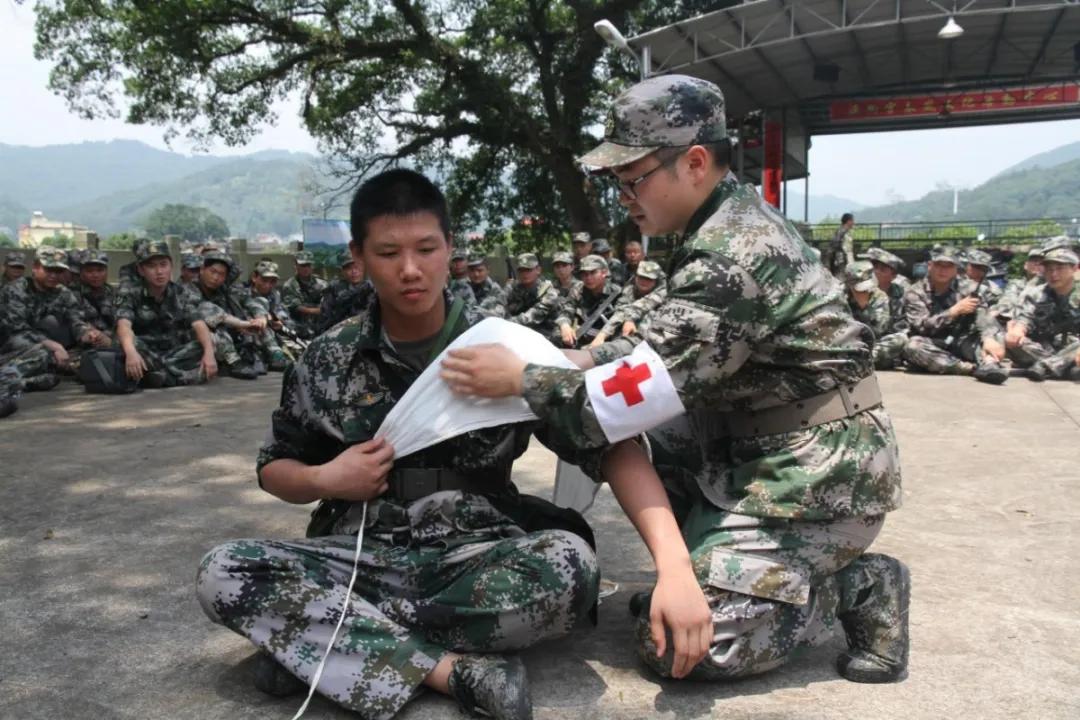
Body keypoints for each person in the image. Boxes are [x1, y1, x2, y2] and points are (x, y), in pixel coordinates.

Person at [442, 74, 908, 687]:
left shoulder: (731, 254)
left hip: (815, 479)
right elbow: (656, 348)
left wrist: (524, 379)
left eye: (631, 178)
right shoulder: (716, 226)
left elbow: (614, 406)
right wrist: (569, 361)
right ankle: (712, 568)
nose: (622, 197)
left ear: (692, 162)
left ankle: (856, 585)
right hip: (750, 445)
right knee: (602, 437)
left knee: (683, 649)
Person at [196, 169, 602, 720]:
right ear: (359, 256)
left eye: (426, 249)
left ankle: (322, 643)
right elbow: (274, 467)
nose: (410, 270)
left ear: (450, 248)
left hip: (474, 555)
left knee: (570, 567)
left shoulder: (503, 349)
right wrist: (323, 479)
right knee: (224, 571)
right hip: (359, 554)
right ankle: (451, 671)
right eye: (388, 253)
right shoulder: (327, 358)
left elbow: (604, 440)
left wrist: (674, 569)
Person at [114, 240, 223, 387]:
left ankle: (160, 377)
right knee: (127, 344)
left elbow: (198, 323)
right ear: (141, 270)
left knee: (209, 342)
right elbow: (123, 325)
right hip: (145, 352)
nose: (159, 272)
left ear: (171, 266)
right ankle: (178, 377)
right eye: (151, 266)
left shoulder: (180, 292)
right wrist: (131, 353)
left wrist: (209, 355)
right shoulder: (129, 292)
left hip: (173, 352)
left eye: (163, 265)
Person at [0, 246, 106, 386]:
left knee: (94, 354)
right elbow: (16, 332)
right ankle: (8, 378)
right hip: (13, 347)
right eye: (49, 270)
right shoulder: (15, 290)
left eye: (58, 271)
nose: (54, 276)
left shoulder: (63, 292)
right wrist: (51, 345)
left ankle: (30, 379)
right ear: (35, 267)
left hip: (52, 347)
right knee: (43, 355)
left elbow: (75, 320)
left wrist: (86, 334)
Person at [902, 245, 1007, 384]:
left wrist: (988, 339)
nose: (942, 270)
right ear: (930, 265)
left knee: (995, 333)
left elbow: (983, 316)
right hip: (934, 342)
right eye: (939, 265)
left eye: (948, 266)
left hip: (963, 340)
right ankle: (969, 369)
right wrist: (953, 311)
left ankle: (990, 363)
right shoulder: (915, 292)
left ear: (956, 269)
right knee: (912, 346)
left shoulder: (969, 288)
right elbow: (922, 326)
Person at [990, 247, 1080, 382]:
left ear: (1075, 268)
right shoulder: (1035, 293)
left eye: (1060, 268)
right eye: (1049, 269)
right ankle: (1064, 367)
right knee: (1008, 339)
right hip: (1044, 348)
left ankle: (1047, 366)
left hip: (1074, 347)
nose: (1054, 274)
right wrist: (1018, 330)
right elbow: (1025, 318)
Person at [191, 251, 272, 375]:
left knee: (255, 314)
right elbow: (212, 312)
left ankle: (264, 355)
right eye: (213, 272)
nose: (216, 277)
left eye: (221, 274)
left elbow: (249, 300)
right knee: (217, 328)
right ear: (202, 270)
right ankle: (234, 362)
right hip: (198, 335)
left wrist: (260, 317)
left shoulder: (225, 289)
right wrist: (242, 324)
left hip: (233, 328)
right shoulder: (190, 289)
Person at [588, 260, 666, 348]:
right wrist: (601, 336)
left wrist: (629, 319)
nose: (644, 281)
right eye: (641, 277)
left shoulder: (662, 293)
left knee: (648, 316)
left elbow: (639, 307)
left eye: (649, 279)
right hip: (626, 333)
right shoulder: (630, 290)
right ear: (636, 276)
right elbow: (621, 310)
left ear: (656, 281)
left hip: (655, 337)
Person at [844, 261, 907, 370]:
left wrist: (864, 308)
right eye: (859, 288)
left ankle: (858, 362)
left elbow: (878, 329)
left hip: (871, 344)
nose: (865, 291)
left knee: (900, 339)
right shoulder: (839, 296)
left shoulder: (879, 297)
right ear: (849, 285)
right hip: (846, 342)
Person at [244, 260, 306, 362]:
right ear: (254, 278)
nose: (268, 285)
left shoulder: (274, 294)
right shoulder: (244, 292)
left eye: (272, 281)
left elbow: (282, 312)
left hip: (274, 333)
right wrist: (265, 318)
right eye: (264, 280)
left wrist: (279, 321)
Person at [555, 255, 620, 348]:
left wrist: (602, 336)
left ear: (604, 272)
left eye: (593, 272)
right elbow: (567, 310)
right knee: (557, 333)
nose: (588, 278)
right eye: (584, 274)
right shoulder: (579, 288)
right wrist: (565, 325)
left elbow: (619, 320)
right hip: (583, 334)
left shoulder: (616, 293)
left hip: (606, 337)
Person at [505, 252, 561, 339]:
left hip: (546, 336)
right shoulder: (513, 287)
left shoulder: (549, 292)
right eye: (521, 270)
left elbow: (530, 317)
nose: (524, 274)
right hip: (519, 332)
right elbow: (499, 303)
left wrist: (503, 323)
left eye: (528, 270)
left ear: (538, 270)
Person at [319, 248, 373, 331]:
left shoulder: (373, 287)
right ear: (342, 271)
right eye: (349, 268)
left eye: (357, 267)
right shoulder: (334, 289)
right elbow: (325, 316)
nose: (354, 271)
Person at [72, 249, 117, 344]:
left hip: (113, 342)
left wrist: (112, 340)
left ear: (106, 271)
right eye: (89, 271)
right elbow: (74, 320)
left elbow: (122, 322)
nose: (95, 275)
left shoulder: (114, 293)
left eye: (100, 270)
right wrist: (93, 334)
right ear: (81, 273)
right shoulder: (73, 293)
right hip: (86, 341)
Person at [281, 250, 329, 339]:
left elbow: (328, 303)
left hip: (320, 327)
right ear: (295, 266)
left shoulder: (322, 284)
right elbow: (296, 307)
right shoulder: (289, 285)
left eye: (308, 265)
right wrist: (318, 310)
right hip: (298, 328)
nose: (306, 268)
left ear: (312, 266)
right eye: (303, 265)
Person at [826, 213, 856, 278]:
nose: (854, 222)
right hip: (841, 261)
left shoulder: (844, 232)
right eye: (852, 220)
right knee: (841, 279)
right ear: (848, 221)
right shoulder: (842, 232)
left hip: (843, 261)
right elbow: (833, 247)